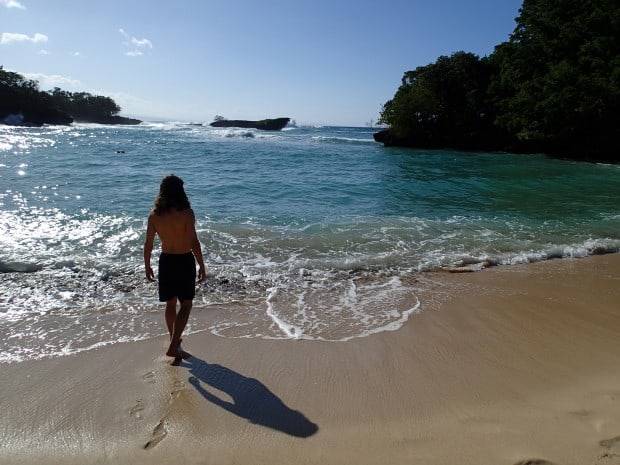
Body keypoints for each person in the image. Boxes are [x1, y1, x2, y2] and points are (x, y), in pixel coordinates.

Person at [143, 174, 206, 358]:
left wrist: (147, 265)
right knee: (186, 303)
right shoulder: (187, 213)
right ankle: (173, 345)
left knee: (170, 303)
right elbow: (194, 242)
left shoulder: (155, 215)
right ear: (181, 191)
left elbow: (148, 243)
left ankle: (174, 341)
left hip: (166, 261)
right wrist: (201, 264)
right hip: (184, 260)